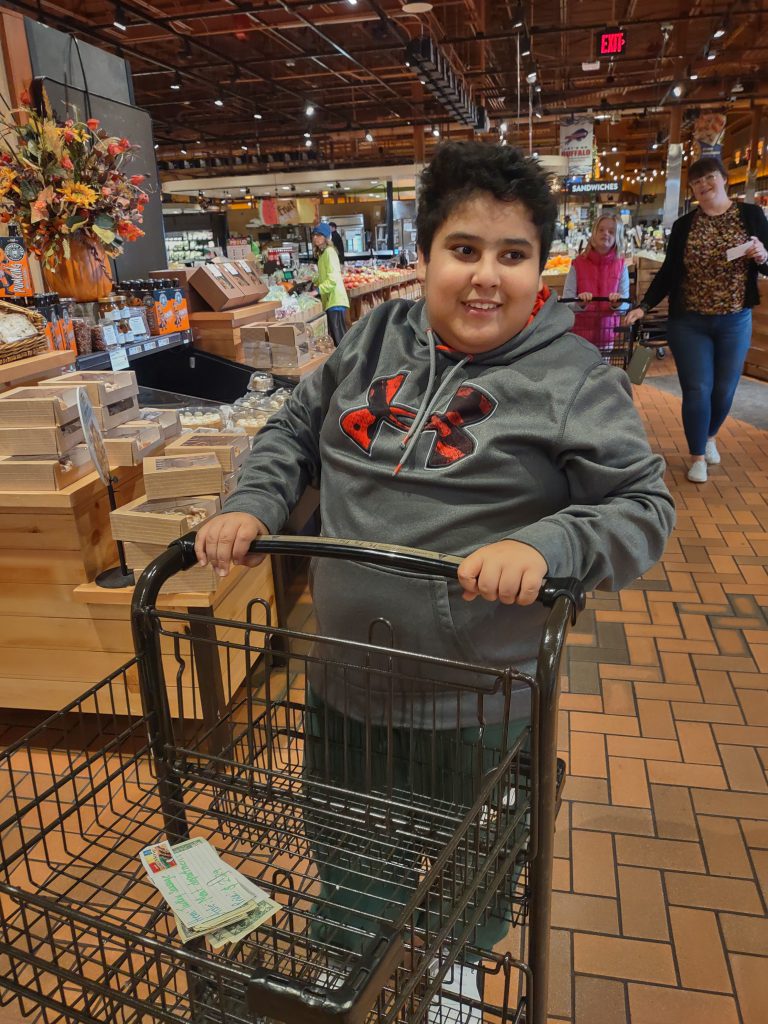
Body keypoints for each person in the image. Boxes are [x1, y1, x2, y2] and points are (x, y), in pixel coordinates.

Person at [196, 142, 674, 984]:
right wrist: (252, 502)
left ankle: (455, 970)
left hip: (480, 712)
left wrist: (545, 544)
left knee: (479, 872)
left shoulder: (574, 380)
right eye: (464, 250)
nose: (486, 276)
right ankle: (357, 969)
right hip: (345, 688)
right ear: (423, 259)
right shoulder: (374, 337)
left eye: (512, 255)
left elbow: (644, 508)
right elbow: (292, 428)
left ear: (540, 268)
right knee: (350, 864)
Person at [626, 155, 768, 483]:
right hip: (688, 321)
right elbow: (668, 273)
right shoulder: (684, 226)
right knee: (697, 388)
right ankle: (697, 455)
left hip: (734, 320)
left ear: (723, 179)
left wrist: (763, 255)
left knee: (724, 390)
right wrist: (644, 306)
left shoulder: (751, 216)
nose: (704, 186)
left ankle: (709, 435)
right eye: (697, 183)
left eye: (709, 179)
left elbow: (766, 264)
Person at [562, 214, 630, 355]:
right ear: (594, 233)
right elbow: (566, 301)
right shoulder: (578, 264)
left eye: (611, 231)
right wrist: (580, 303)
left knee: (602, 373)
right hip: (579, 336)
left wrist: (617, 303)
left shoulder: (621, 266)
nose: (606, 233)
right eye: (601, 230)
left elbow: (625, 303)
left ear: (617, 237)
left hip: (607, 335)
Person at [310, 222, 350, 347]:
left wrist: (317, 290)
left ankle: (347, 363)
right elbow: (325, 276)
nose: (316, 238)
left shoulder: (329, 252)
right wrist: (313, 278)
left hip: (335, 300)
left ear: (326, 237)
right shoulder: (322, 254)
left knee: (340, 338)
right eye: (314, 235)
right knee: (337, 336)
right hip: (330, 300)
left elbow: (333, 278)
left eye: (319, 235)